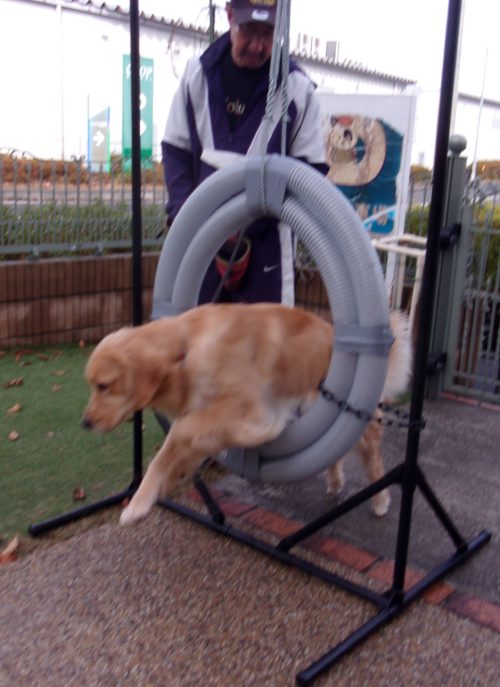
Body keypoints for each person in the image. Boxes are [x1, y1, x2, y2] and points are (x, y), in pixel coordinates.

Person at [161, 0, 328, 305]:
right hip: (200, 239)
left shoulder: (296, 88)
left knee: (264, 334)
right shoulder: (198, 74)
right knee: (193, 327)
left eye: (267, 33)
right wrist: (185, 215)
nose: (256, 45)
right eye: (249, 30)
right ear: (229, 16)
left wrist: (248, 221)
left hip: (266, 246)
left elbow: (311, 172)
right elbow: (176, 150)